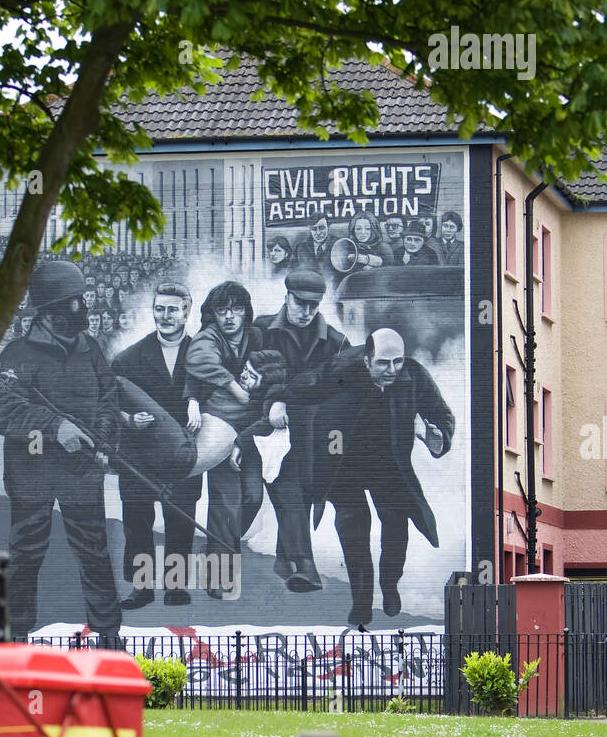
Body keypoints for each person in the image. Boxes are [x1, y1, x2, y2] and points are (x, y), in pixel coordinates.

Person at [0, 259, 122, 641]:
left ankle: (108, 634)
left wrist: (102, 438)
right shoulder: (17, 354)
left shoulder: (90, 348)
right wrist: (55, 427)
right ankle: (16, 634)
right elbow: (5, 410)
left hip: (81, 469)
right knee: (26, 553)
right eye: (75, 302)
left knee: (94, 551)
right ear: (50, 311)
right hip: (31, 473)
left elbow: (109, 396)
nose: (83, 308)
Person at [309, 327, 455, 625]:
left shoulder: (412, 376)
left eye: (397, 362)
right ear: (366, 359)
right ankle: (362, 601)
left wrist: (434, 433)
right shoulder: (341, 372)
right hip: (344, 466)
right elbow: (309, 399)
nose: (392, 370)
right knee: (354, 527)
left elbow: (442, 414)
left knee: (396, 524)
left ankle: (390, 584)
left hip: (388, 463)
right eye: (383, 363)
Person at [255, 267, 350, 591]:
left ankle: (284, 559)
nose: (307, 311)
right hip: (267, 429)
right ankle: (306, 566)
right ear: (287, 297)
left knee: (303, 491)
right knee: (290, 489)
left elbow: (343, 395)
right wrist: (272, 404)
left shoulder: (336, 343)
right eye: (301, 303)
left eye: (314, 304)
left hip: (314, 436)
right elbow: (247, 379)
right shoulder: (261, 331)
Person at [111, 282, 200, 608]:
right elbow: (106, 407)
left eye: (173, 309)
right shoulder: (128, 358)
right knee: (137, 522)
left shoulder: (203, 355)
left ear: (186, 311)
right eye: (160, 309)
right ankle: (142, 588)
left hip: (183, 455)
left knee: (180, 520)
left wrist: (197, 401)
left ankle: (176, 586)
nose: (165, 316)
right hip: (139, 455)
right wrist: (128, 421)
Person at [185, 281, 263, 598]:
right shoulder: (208, 337)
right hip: (218, 425)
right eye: (222, 310)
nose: (230, 316)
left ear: (246, 311)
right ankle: (219, 574)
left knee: (252, 499)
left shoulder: (257, 336)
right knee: (225, 503)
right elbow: (198, 362)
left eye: (237, 309)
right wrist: (232, 387)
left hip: (252, 430)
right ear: (213, 313)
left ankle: (222, 545)